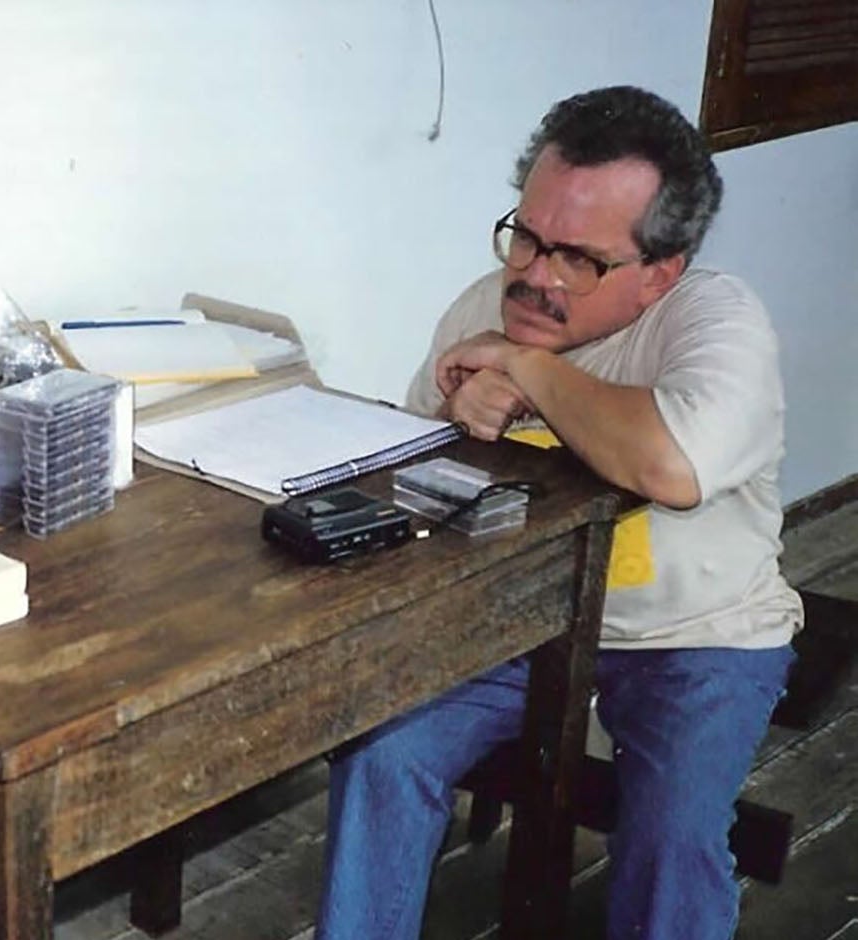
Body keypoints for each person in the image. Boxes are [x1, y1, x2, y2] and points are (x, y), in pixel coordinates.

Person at [315, 86, 801, 940]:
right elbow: (409, 479)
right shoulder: (483, 307)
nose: (537, 276)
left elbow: (671, 465)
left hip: (697, 635)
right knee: (380, 753)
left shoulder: (717, 324)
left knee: (673, 834)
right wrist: (448, 429)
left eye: (579, 258)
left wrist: (528, 372)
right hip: (519, 624)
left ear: (660, 272)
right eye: (529, 237)